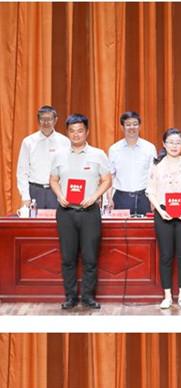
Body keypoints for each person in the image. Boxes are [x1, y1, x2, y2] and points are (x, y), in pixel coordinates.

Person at [49, 113, 111, 309]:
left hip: (89, 212)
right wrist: (60, 195)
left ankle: (88, 297)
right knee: (68, 257)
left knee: (90, 257)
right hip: (66, 212)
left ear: (87, 132)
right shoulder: (59, 155)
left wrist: (95, 196)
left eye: (80, 131)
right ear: (67, 133)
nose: (76, 134)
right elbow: (53, 180)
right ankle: (70, 297)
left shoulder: (98, 154)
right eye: (72, 131)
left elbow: (107, 180)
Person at [146, 128, 181, 310]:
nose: (174, 146)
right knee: (166, 256)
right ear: (164, 144)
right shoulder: (157, 166)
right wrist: (160, 212)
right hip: (163, 214)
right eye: (171, 142)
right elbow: (150, 191)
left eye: (178, 142)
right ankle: (167, 296)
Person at [17, 105, 68, 210]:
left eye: (49, 119)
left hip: (56, 192)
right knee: (33, 221)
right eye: (42, 119)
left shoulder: (64, 142)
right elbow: (22, 171)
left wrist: (64, 194)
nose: (46, 123)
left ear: (55, 120)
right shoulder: (28, 142)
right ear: (38, 120)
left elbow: (68, 170)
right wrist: (25, 196)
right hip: (35, 190)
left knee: (57, 220)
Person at [106, 111, 154, 213]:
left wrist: (154, 200)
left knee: (146, 224)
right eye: (128, 124)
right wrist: (109, 198)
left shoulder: (149, 148)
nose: (132, 127)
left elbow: (153, 176)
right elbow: (110, 176)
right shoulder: (114, 149)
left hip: (145, 197)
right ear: (122, 127)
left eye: (135, 124)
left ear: (140, 126)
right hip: (121, 198)